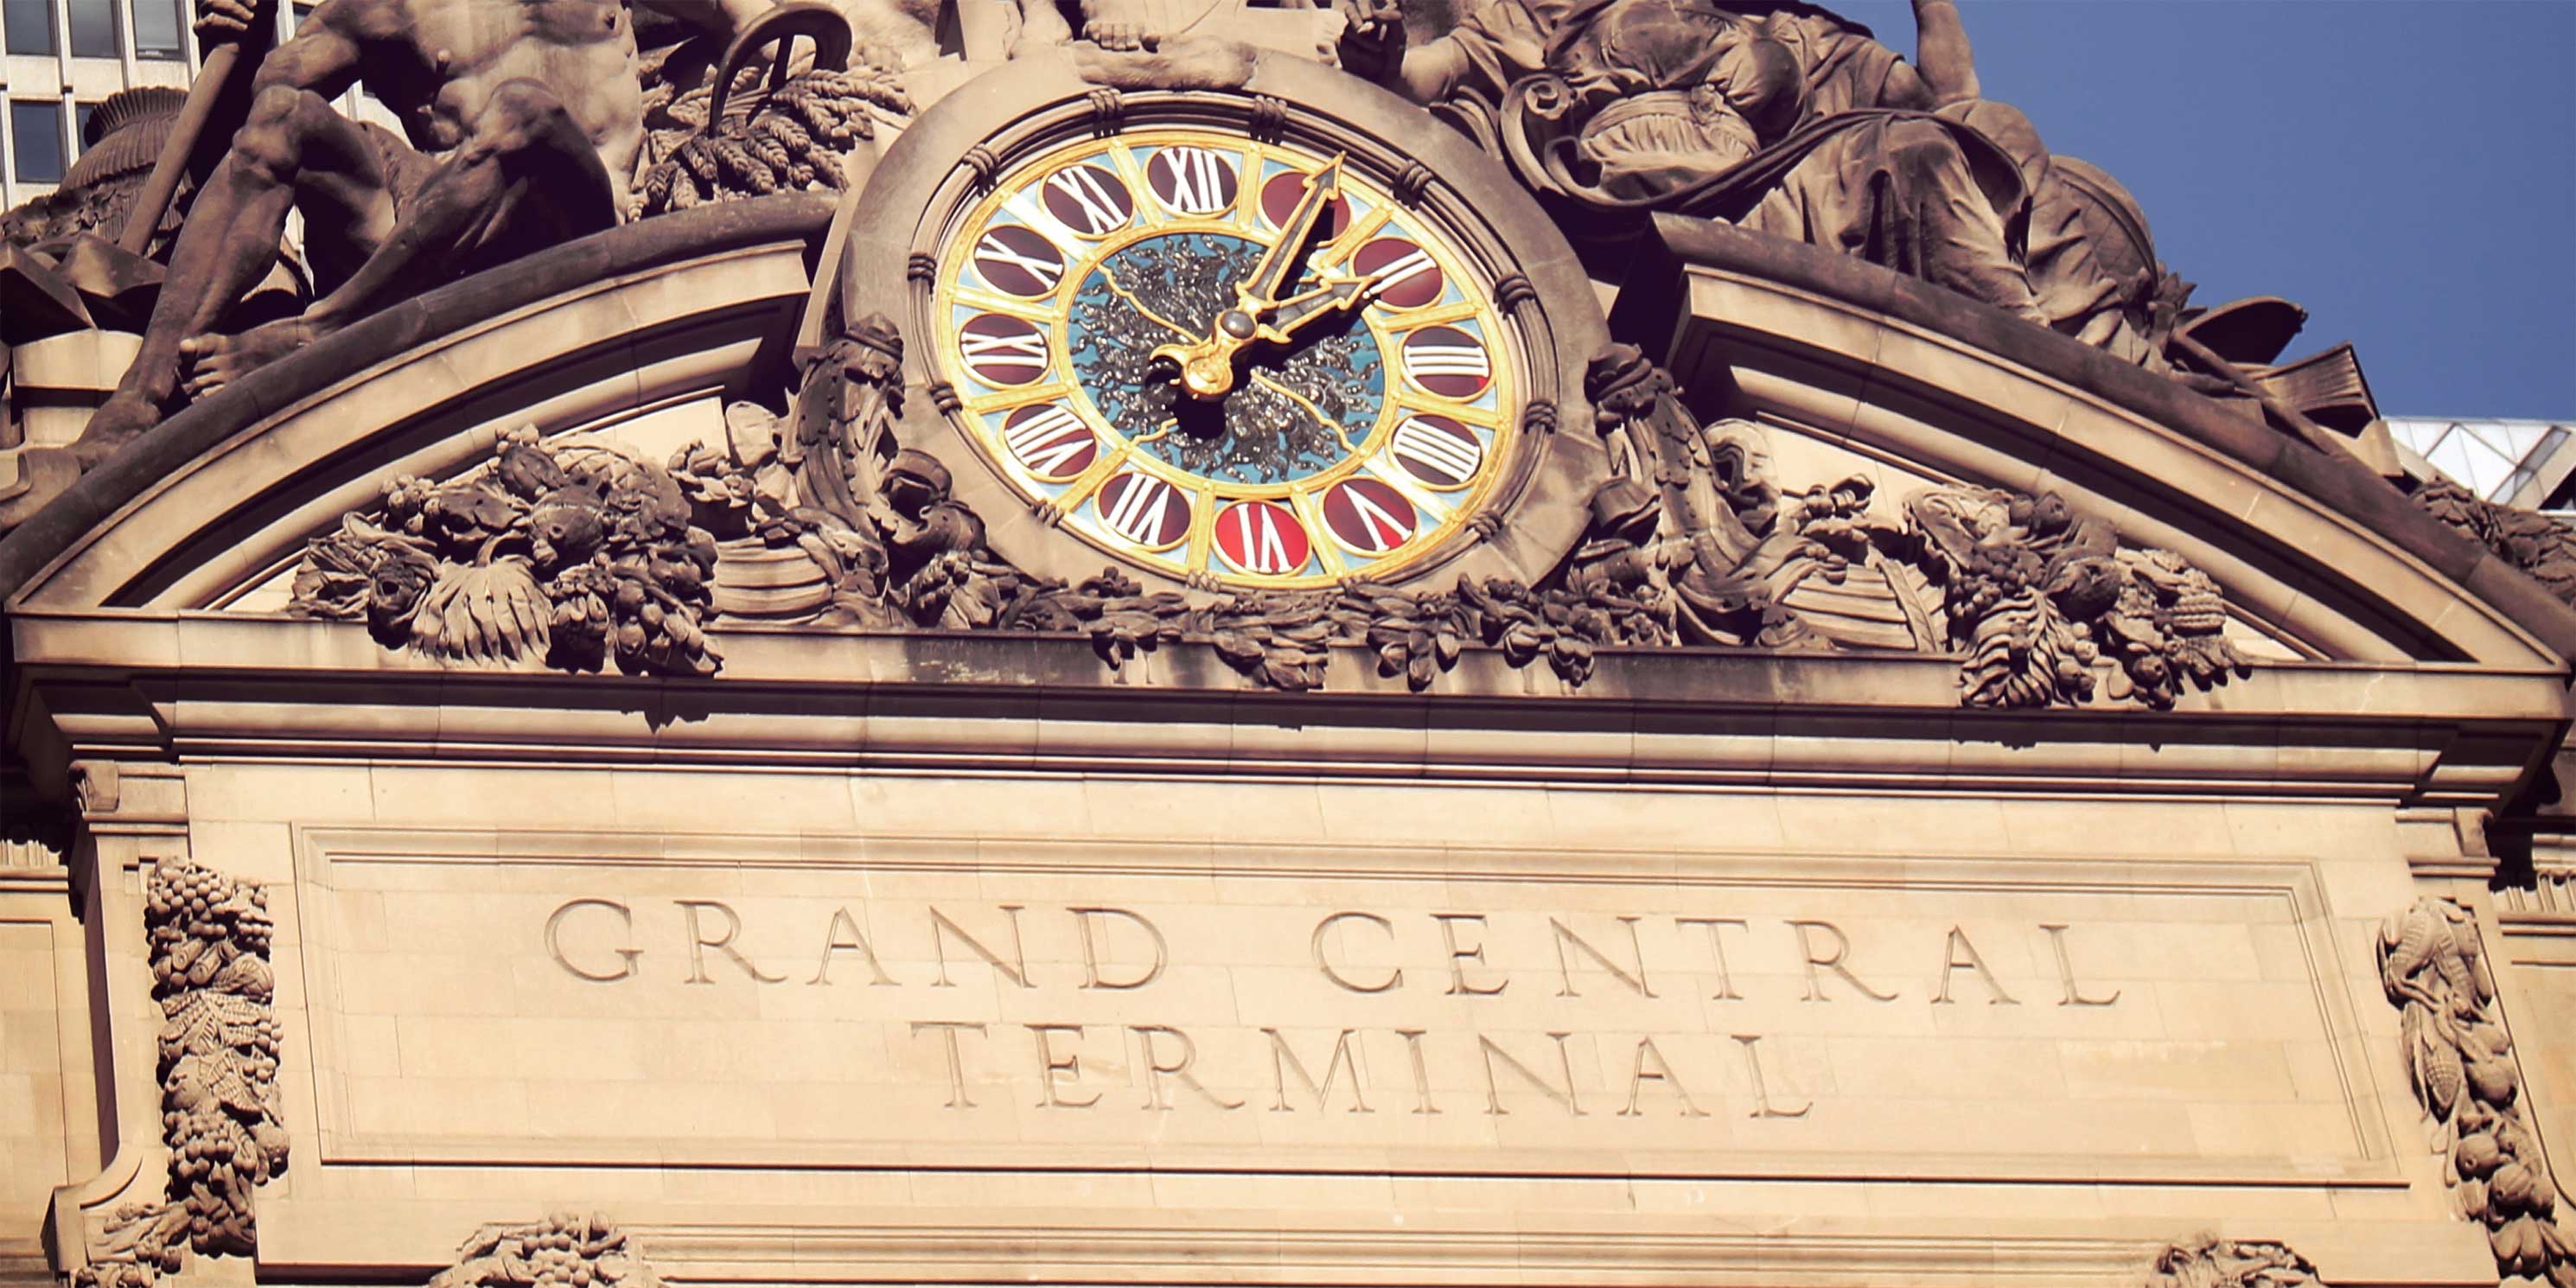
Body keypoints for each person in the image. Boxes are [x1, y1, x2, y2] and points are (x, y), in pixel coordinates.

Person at [71, 0, 778, 467]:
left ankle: (319, 334)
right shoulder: (379, 6)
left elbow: (756, 21)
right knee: (284, 117)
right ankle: (141, 395)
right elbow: (244, 129)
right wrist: (245, 35)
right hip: (433, 227)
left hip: (577, 214)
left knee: (523, 109)